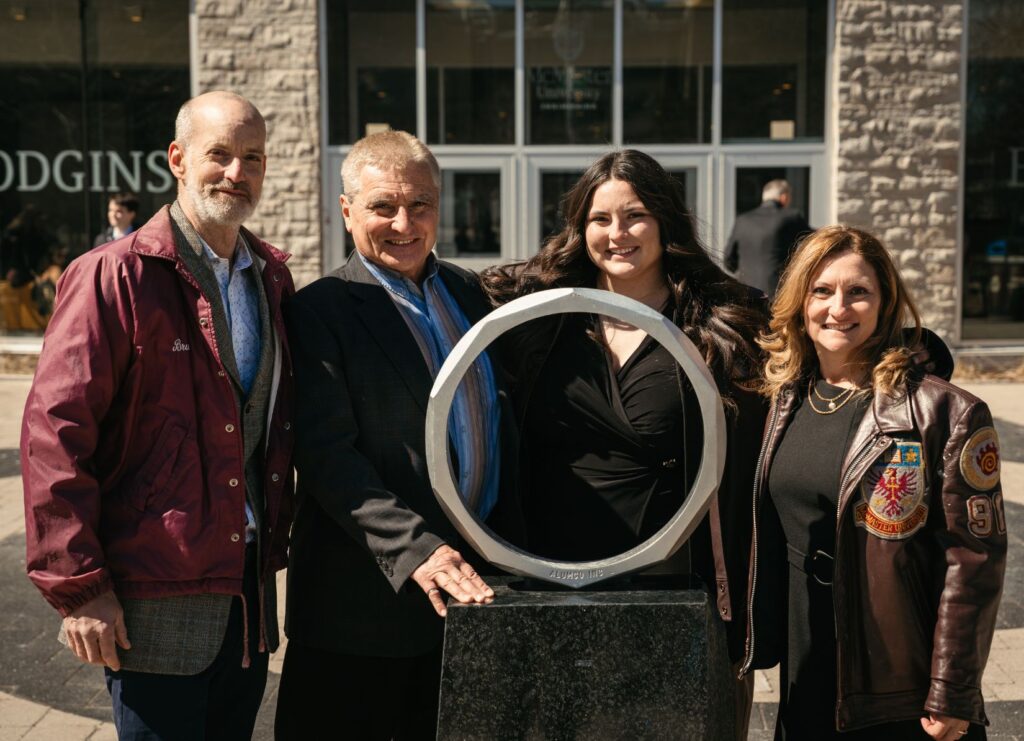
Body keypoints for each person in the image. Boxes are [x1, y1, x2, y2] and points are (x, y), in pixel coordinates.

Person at [21, 91, 295, 740]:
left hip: (247, 596)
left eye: (251, 157)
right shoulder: (111, 275)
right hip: (153, 599)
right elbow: (55, 436)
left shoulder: (271, 276)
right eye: (219, 154)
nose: (237, 172)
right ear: (178, 158)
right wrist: (78, 585)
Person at [481, 149, 769, 739]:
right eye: (599, 219)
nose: (618, 234)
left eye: (635, 215)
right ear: (579, 229)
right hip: (556, 578)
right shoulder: (541, 316)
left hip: (677, 582)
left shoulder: (726, 320)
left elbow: (825, 353)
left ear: (666, 221)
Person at [276, 130, 523, 739]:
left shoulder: (469, 292)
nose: (404, 223)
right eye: (383, 206)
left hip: (473, 596)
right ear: (347, 210)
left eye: (421, 205)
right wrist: (419, 550)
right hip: (363, 615)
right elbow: (328, 456)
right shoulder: (320, 311)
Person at [741, 225, 1006, 740]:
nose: (838, 308)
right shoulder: (782, 398)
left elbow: (972, 562)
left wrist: (953, 691)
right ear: (799, 302)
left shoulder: (943, 412)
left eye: (858, 292)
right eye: (822, 291)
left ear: (885, 306)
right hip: (807, 663)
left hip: (897, 681)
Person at [724, 178, 811, 299]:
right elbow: (814, 242)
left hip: (746, 293)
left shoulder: (742, 220)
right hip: (778, 293)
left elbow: (728, 260)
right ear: (784, 197)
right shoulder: (791, 217)